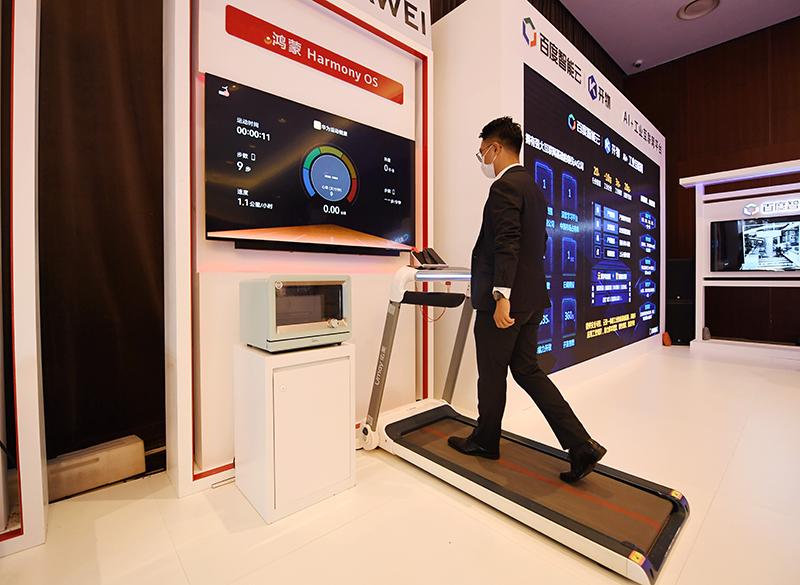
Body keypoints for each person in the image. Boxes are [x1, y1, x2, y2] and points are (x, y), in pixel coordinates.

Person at [447, 116, 606, 483]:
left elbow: (508, 243)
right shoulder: (533, 188)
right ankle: (581, 445)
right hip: (534, 298)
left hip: (507, 301)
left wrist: (501, 295)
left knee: (492, 374)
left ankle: (485, 441)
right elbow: (537, 243)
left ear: (496, 148)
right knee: (527, 370)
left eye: (483, 151)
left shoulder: (504, 187)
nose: (483, 159)